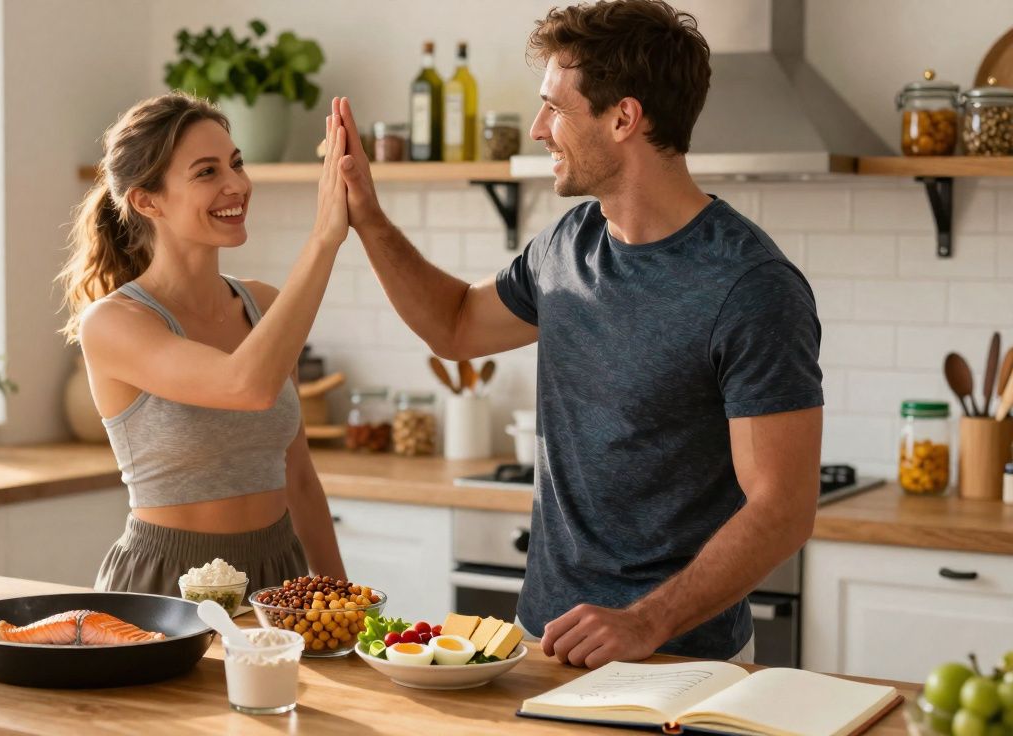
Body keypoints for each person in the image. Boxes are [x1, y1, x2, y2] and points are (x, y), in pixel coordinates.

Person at [335, 0, 822, 666]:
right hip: (544, 643)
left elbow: (784, 509)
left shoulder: (751, 286)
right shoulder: (569, 243)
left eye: (556, 108)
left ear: (624, 117)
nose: (537, 129)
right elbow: (453, 326)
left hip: (680, 660)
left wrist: (644, 623)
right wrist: (369, 217)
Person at [57, 92, 352, 595]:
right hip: (167, 583)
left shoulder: (263, 304)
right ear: (148, 201)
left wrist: (341, 600)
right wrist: (324, 238)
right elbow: (245, 386)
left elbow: (299, 476)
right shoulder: (113, 323)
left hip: (279, 578)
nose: (237, 184)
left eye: (236, 164)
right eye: (207, 172)